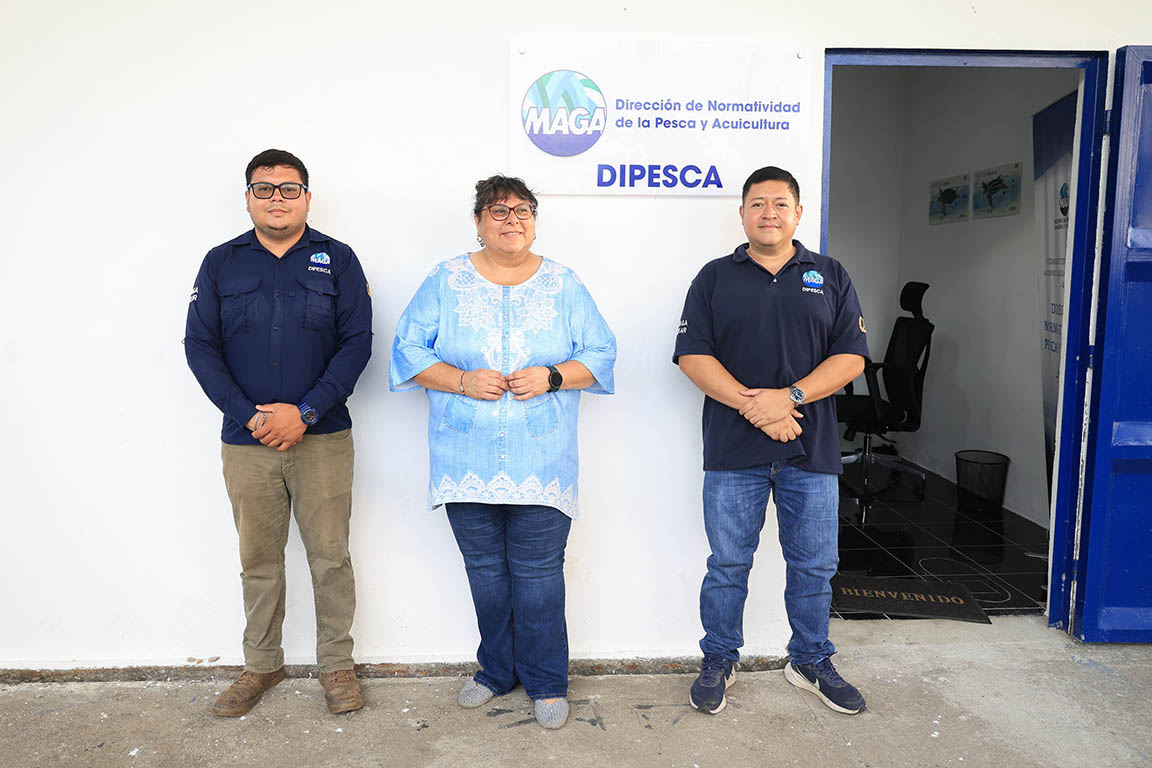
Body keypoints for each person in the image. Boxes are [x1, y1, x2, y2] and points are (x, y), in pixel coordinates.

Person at [390, 175, 616, 730]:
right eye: (498, 211)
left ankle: (546, 680)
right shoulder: (445, 280)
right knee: (486, 573)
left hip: (541, 459)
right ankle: (496, 670)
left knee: (538, 575)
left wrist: (554, 375)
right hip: (464, 456)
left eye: (522, 211)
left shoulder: (563, 284)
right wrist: (461, 379)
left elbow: (602, 353)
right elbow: (407, 349)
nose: (511, 220)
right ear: (478, 221)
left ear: (534, 221)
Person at [673, 165, 870, 716]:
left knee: (815, 566)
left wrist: (790, 398)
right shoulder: (714, 277)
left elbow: (851, 358)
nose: (769, 213)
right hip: (734, 452)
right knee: (728, 565)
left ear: (798, 213)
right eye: (757, 204)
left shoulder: (830, 274)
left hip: (812, 448)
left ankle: (810, 660)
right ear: (741, 213)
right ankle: (719, 659)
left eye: (780, 204)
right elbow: (693, 356)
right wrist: (758, 409)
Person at [185, 149, 373, 716]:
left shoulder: (338, 259)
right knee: (259, 560)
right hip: (247, 443)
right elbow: (200, 347)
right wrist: (252, 416)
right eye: (263, 188)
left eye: (289, 189)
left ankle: (336, 665)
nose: (276, 198)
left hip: (323, 438)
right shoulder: (220, 263)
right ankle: (261, 665)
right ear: (248, 198)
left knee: (331, 556)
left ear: (307, 198)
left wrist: (306, 412)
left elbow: (357, 344)